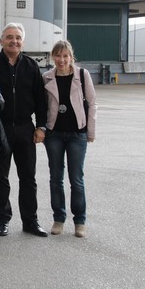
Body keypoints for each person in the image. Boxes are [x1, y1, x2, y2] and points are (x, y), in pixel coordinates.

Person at [0, 22, 49, 238]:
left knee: (28, 177)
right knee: (0, 177)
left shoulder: (32, 66)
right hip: (1, 129)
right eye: (9, 37)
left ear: (22, 42)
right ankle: (2, 220)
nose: (13, 41)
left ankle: (30, 221)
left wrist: (41, 127)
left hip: (26, 128)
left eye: (17, 37)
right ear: (1, 41)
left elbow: (41, 100)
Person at [42, 40, 97, 238]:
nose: (62, 60)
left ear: (71, 57)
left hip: (77, 134)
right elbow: (42, 106)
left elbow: (92, 103)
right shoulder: (47, 78)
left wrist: (90, 131)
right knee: (56, 178)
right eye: (58, 55)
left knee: (77, 179)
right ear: (52, 57)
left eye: (65, 56)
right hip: (54, 134)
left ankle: (80, 221)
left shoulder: (82, 75)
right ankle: (58, 218)